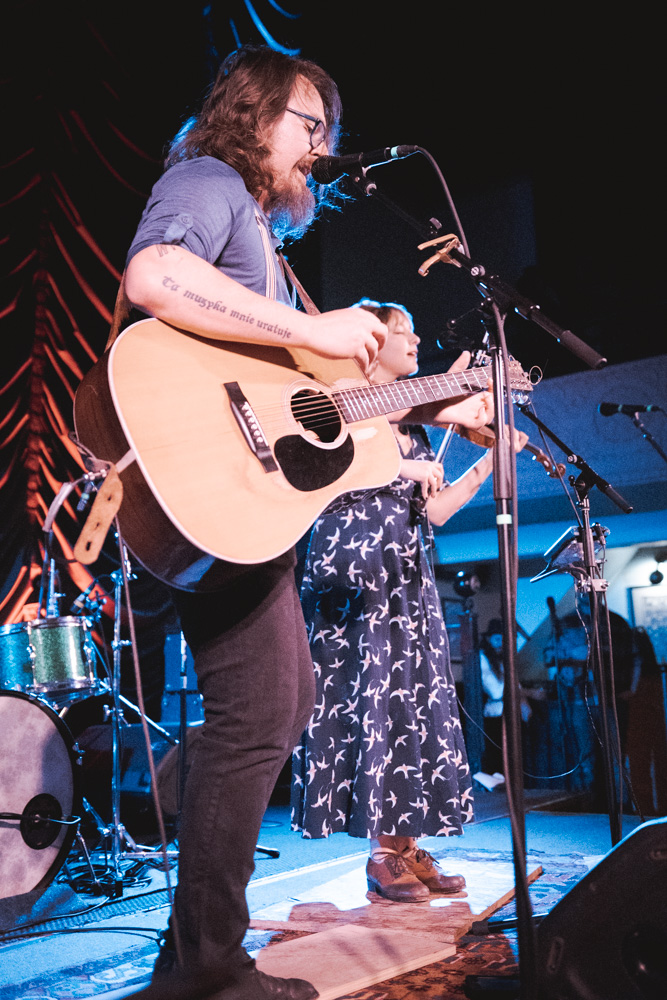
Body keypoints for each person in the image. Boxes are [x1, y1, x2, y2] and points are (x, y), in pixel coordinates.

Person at [118, 47, 494, 1000]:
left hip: (252, 506)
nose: (319, 151)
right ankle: (205, 967)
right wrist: (310, 331)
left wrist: (438, 404)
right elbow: (155, 277)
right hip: (213, 484)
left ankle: (192, 955)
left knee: (272, 707)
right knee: (261, 712)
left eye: (327, 132)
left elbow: (323, 403)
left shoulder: (267, 247)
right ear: (252, 115)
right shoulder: (207, 182)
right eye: (307, 126)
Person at [291, 301, 520, 903]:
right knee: (374, 707)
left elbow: (435, 511)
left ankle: (405, 843)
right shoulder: (339, 401)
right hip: (358, 577)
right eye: (401, 331)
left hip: (406, 579)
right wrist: (404, 466)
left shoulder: (413, 425)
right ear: (368, 342)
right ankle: (379, 854)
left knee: (414, 709)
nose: (415, 340)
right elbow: (331, 478)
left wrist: (486, 465)